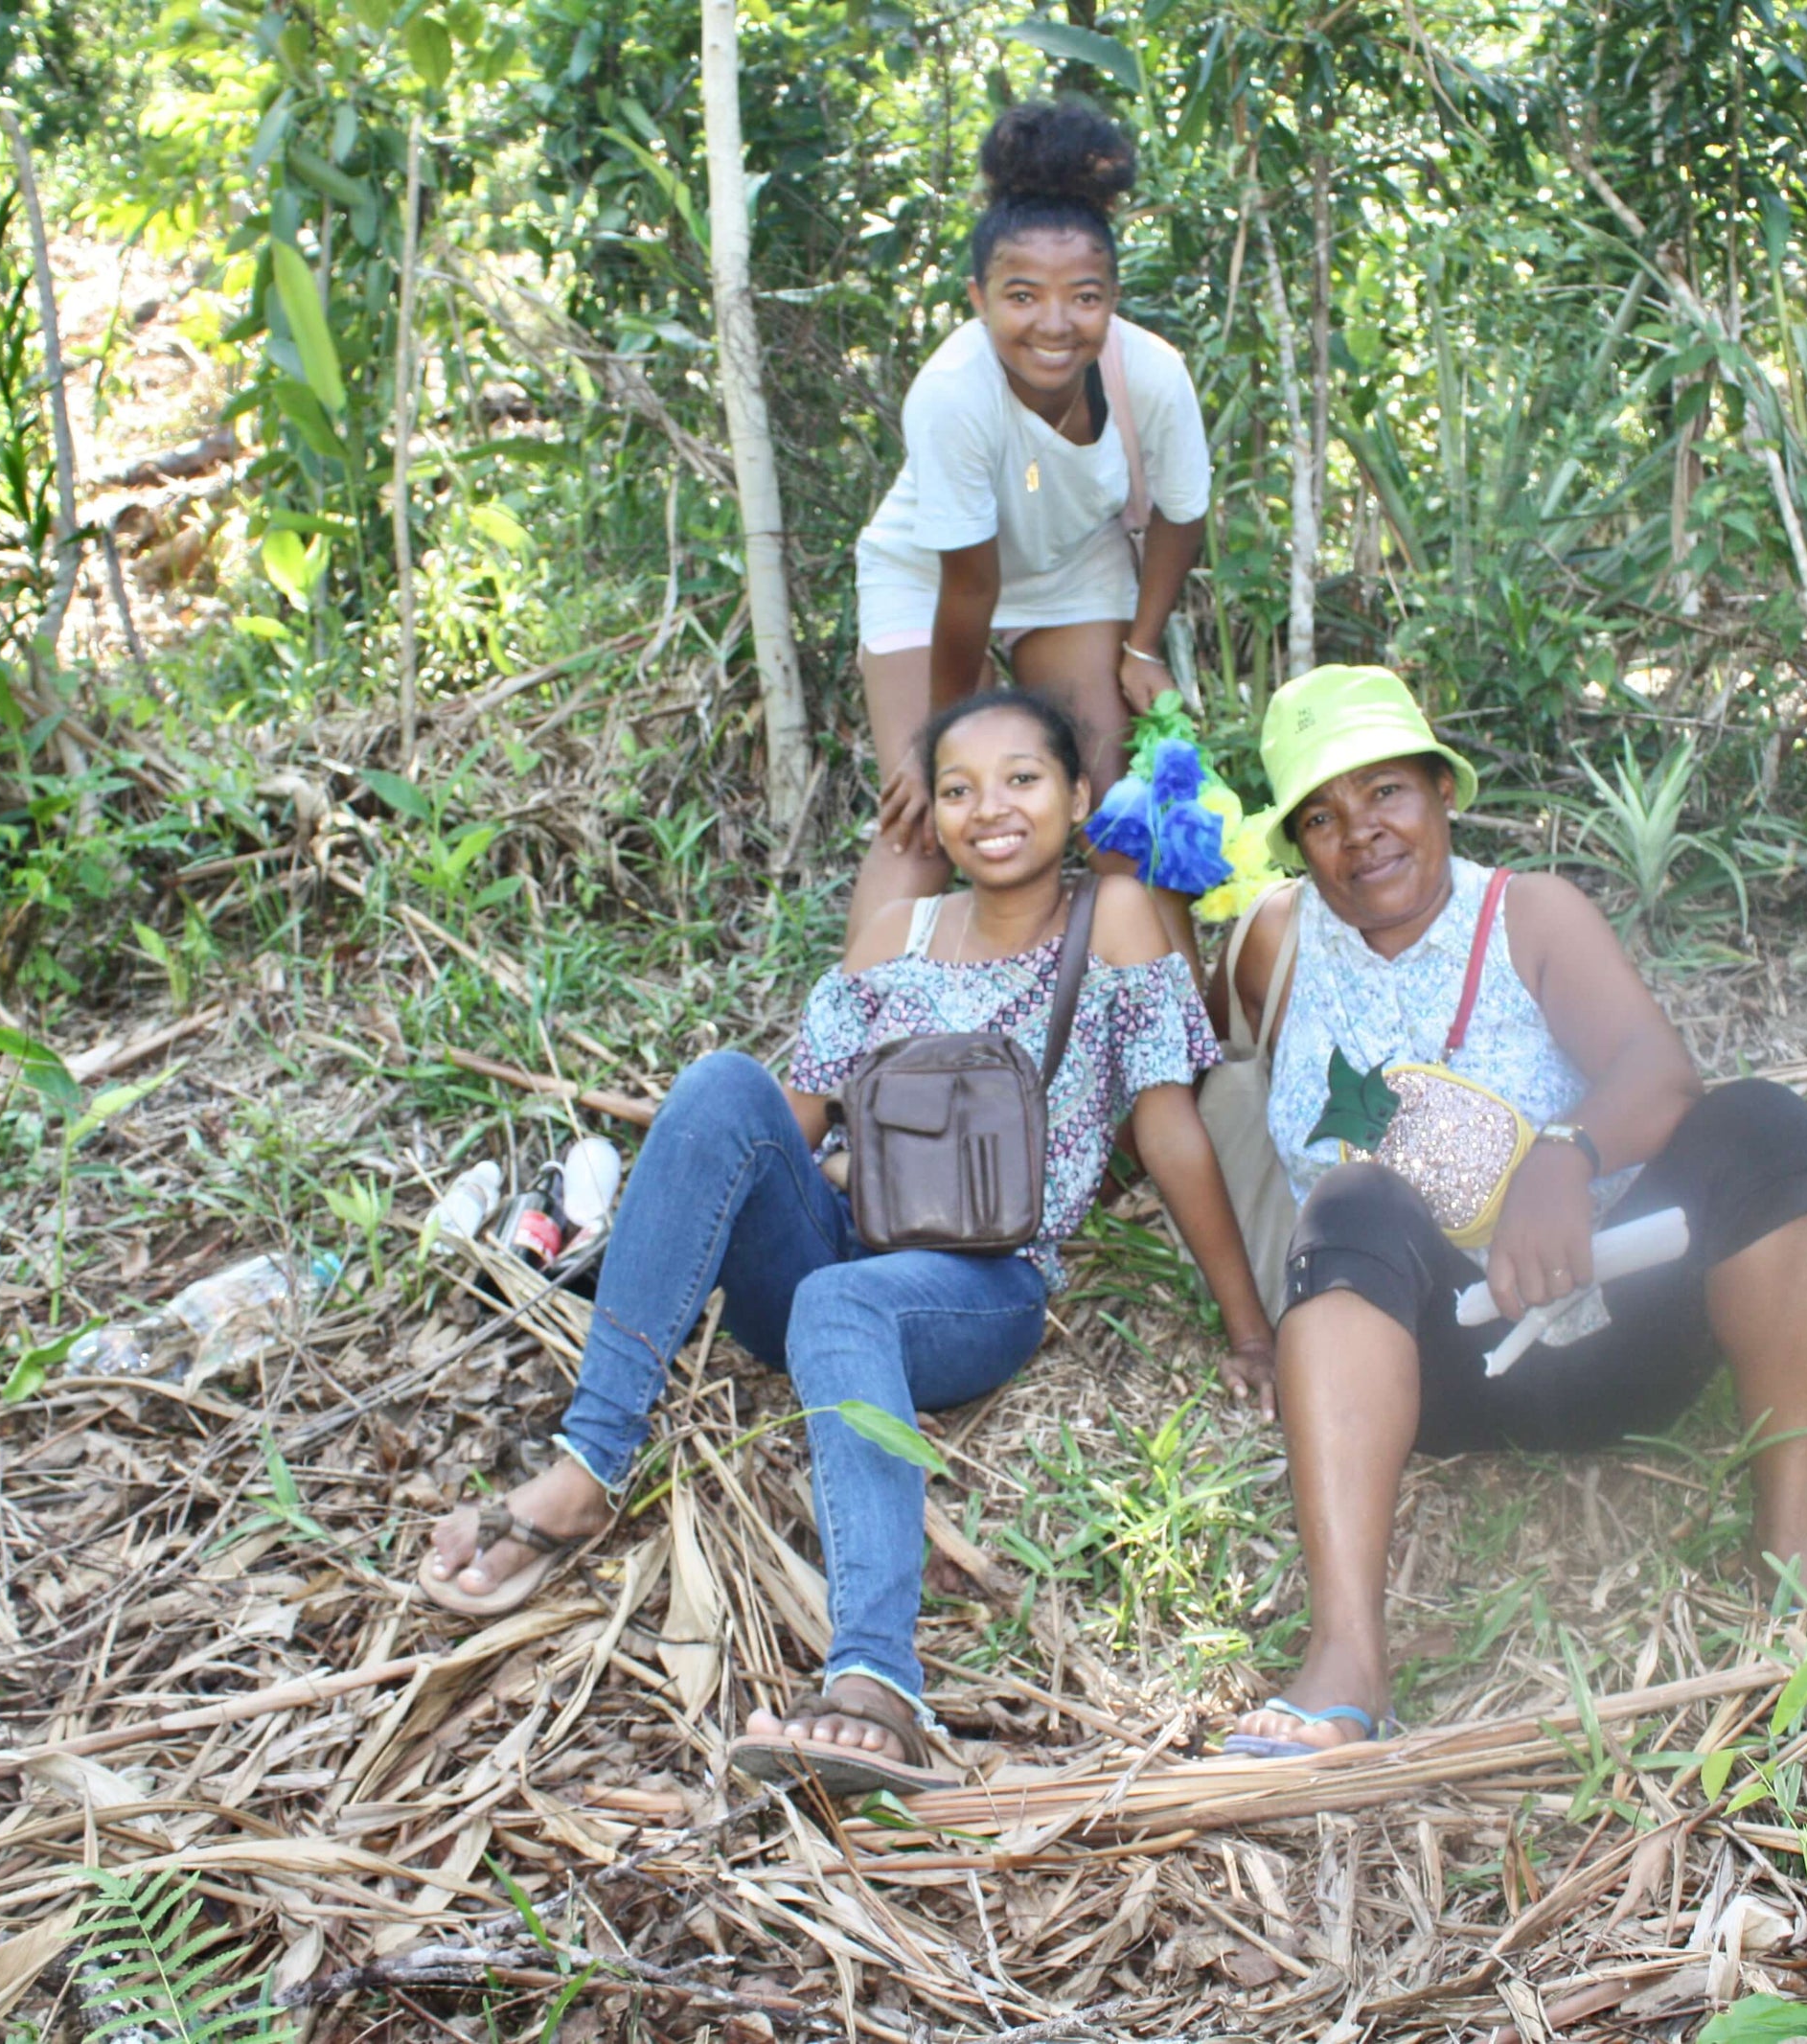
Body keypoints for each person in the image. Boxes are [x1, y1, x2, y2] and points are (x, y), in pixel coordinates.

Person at [418, 690, 1275, 1796]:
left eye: (1022, 779)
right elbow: (782, 1126)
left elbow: (1167, 1127)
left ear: (1075, 795)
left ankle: (876, 1679)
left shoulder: (1109, 919)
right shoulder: (892, 936)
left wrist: (1246, 1328)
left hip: (977, 1283)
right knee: (720, 1086)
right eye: (958, 790)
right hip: (832, 1244)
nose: (991, 809)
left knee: (844, 1304)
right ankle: (589, 1463)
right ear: (936, 818)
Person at [1208, 667, 1807, 1759]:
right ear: (1295, 844)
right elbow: (1168, 1045)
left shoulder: (1529, 914)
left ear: (1439, 792)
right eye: (1320, 815)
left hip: (1613, 1320)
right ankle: (1345, 1662)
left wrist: (1564, 1154)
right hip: (1426, 1367)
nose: (1359, 833)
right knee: (1352, 1196)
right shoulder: (1273, 943)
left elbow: (1655, 1070)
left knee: (1766, 1130)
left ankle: (1790, 1563)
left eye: (1385, 794)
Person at [850, 98, 1212, 953]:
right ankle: (852, 1055)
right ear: (979, 298)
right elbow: (968, 587)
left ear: (1113, 298)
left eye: (1083, 297)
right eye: (1022, 295)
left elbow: (1180, 517)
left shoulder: (1153, 374)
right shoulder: (951, 392)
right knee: (930, 817)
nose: (1054, 323)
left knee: (1117, 810)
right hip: (928, 579)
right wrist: (939, 750)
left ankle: (1184, 1049)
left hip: (1074, 573)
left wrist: (1142, 647)